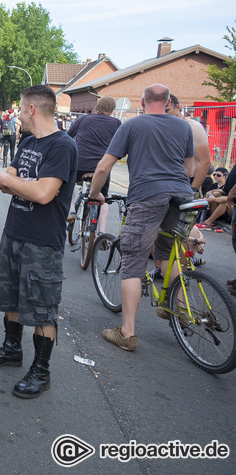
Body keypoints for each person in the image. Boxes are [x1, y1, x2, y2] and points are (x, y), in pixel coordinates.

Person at [0, 85, 77, 399]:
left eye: (20, 109)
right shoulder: (29, 140)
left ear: (31, 109)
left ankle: (41, 372)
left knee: (42, 307)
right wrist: (19, 183)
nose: (18, 114)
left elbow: (44, 194)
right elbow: (10, 176)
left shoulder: (62, 146)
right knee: (10, 295)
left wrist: (13, 182)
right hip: (14, 231)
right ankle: (11, 348)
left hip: (42, 241)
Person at [88, 84, 193, 353]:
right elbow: (190, 168)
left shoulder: (132, 125)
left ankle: (127, 333)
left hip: (148, 196)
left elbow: (104, 165)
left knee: (134, 260)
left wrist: (95, 193)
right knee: (168, 251)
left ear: (143, 103)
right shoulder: (184, 127)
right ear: (168, 101)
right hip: (181, 196)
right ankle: (178, 309)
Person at [65, 96, 122, 231]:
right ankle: (101, 232)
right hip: (102, 167)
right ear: (112, 110)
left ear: (97, 108)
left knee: (69, 182)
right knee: (104, 199)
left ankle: (72, 210)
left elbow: (67, 136)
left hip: (80, 164)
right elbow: (121, 146)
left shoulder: (83, 118)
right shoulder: (116, 123)